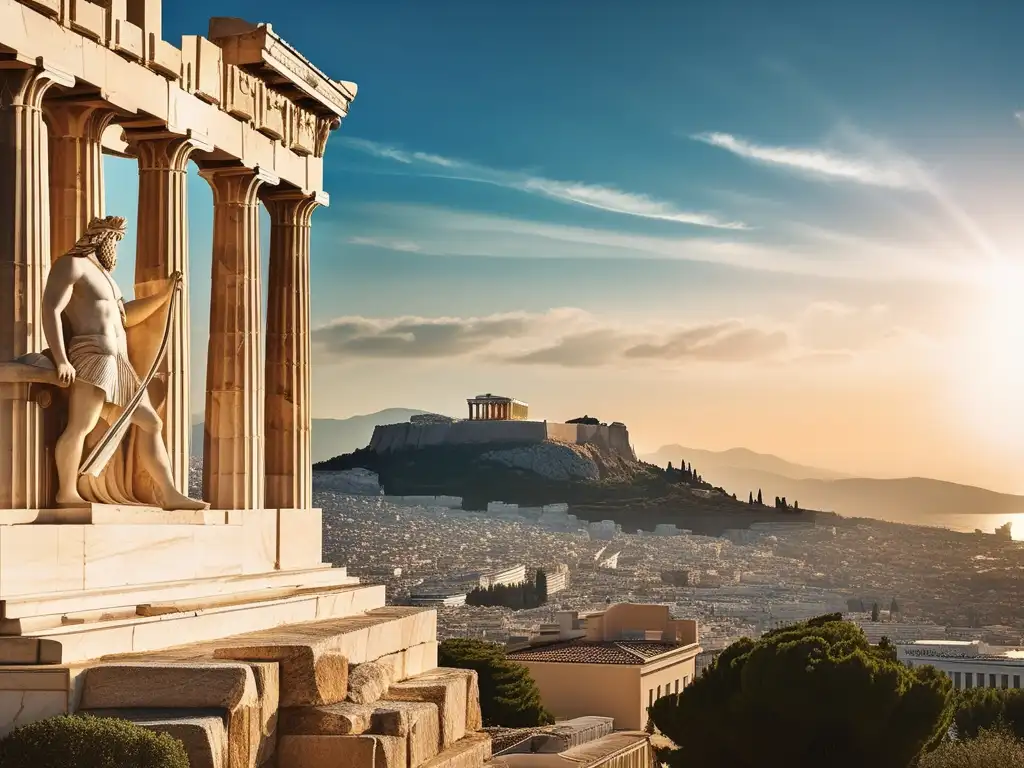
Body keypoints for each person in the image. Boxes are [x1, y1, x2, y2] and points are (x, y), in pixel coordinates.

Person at [41, 215, 207, 510]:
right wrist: (61, 359)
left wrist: (164, 296)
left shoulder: (107, 279)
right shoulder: (72, 265)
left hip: (119, 364)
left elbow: (125, 317)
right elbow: (51, 309)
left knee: (151, 423)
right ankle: (66, 492)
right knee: (81, 425)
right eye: (115, 241)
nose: (116, 249)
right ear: (102, 239)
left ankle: (169, 494)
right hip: (93, 355)